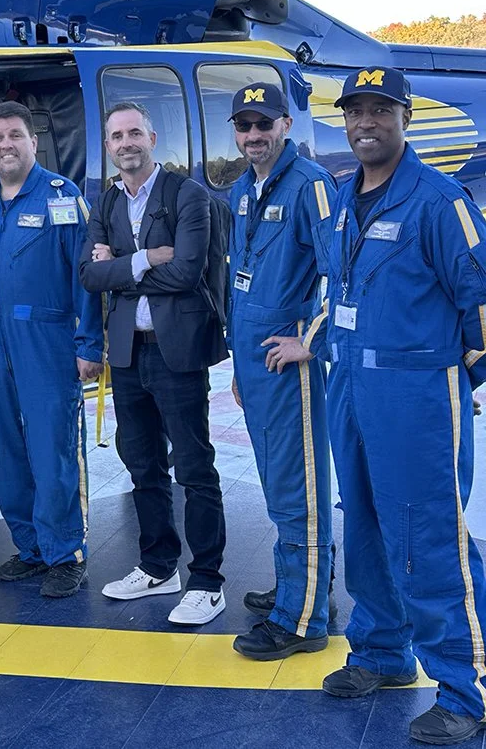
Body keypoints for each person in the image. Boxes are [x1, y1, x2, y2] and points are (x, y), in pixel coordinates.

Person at [316, 67, 486, 745]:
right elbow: (338, 290)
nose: (366, 123)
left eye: (381, 110)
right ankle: (382, 652)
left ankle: (466, 688)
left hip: (415, 395)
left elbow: (481, 304)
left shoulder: (439, 201)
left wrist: (450, 379)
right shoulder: (341, 198)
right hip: (351, 387)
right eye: (355, 111)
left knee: (428, 537)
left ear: (405, 119)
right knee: (363, 525)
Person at [79, 101, 229, 626]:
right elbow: (89, 276)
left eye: (134, 133)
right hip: (127, 351)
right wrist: (146, 259)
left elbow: (187, 272)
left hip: (176, 350)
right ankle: (158, 565)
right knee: (142, 464)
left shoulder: (188, 194)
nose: (126, 143)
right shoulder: (106, 201)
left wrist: (119, 268)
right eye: (117, 136)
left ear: (152, 138)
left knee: (193, 465)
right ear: (108, 146)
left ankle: (207, 580)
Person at [0, 100, 104, 598]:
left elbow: (86, 278)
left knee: (53, 447)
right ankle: (31, 547)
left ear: (33, 142)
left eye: (16, 135)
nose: (6, 145)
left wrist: (89, 343)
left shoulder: (62, 197)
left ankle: (65, 551)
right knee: (4, 448)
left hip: (46, 342)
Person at [221, 82, 337, 659]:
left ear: (285, 126)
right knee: (278, 487)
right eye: (244, 125)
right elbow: (239, 282)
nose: (253, 135)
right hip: (257, 365)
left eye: (264, 123)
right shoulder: (242, 190)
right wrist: (239, 366)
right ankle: (301, 586)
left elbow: (342, 272)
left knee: (300, 491)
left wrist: (310, 342)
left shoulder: (311, 186)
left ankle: (303, 619)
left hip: (290, 367)